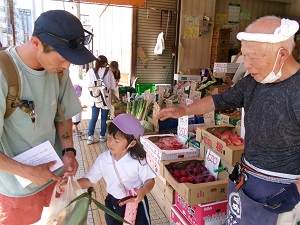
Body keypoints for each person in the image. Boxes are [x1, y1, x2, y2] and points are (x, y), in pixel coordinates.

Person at [157, 16, 300, 225]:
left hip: (283, 191)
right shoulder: (252, 82)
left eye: (253, 58)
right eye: (244, 57)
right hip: (247, 179)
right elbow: (218, 101)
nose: (247, 65)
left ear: (282, 55)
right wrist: (183, 110)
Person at [0, 10, 97, 225]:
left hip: (55, 178)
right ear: (36, 43)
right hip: (18, 189)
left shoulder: (59, 72)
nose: (66, 66)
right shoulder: (4, 72)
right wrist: (28, 172)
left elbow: (62, 115)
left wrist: (68, 150)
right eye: (62, 59)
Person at [58, 113, 156, 225]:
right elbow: (89, 181)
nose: (111, 143)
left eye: (117, 141)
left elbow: (150, 180)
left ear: (132, 143)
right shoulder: (103, 159)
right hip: (112, 203)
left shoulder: (138, 160)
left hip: (135, 203)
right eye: (109, 138)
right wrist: (69, 186)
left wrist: (143, 191)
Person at [87, 55, 117, 144]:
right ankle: (102, 136)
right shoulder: (109, 72)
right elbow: (113, 86)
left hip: (95, 99)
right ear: (104, 63)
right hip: (106, 98)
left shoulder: (91, 71)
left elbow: (88, 86)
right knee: (104, 118)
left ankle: (90, 137)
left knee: (94, 118)